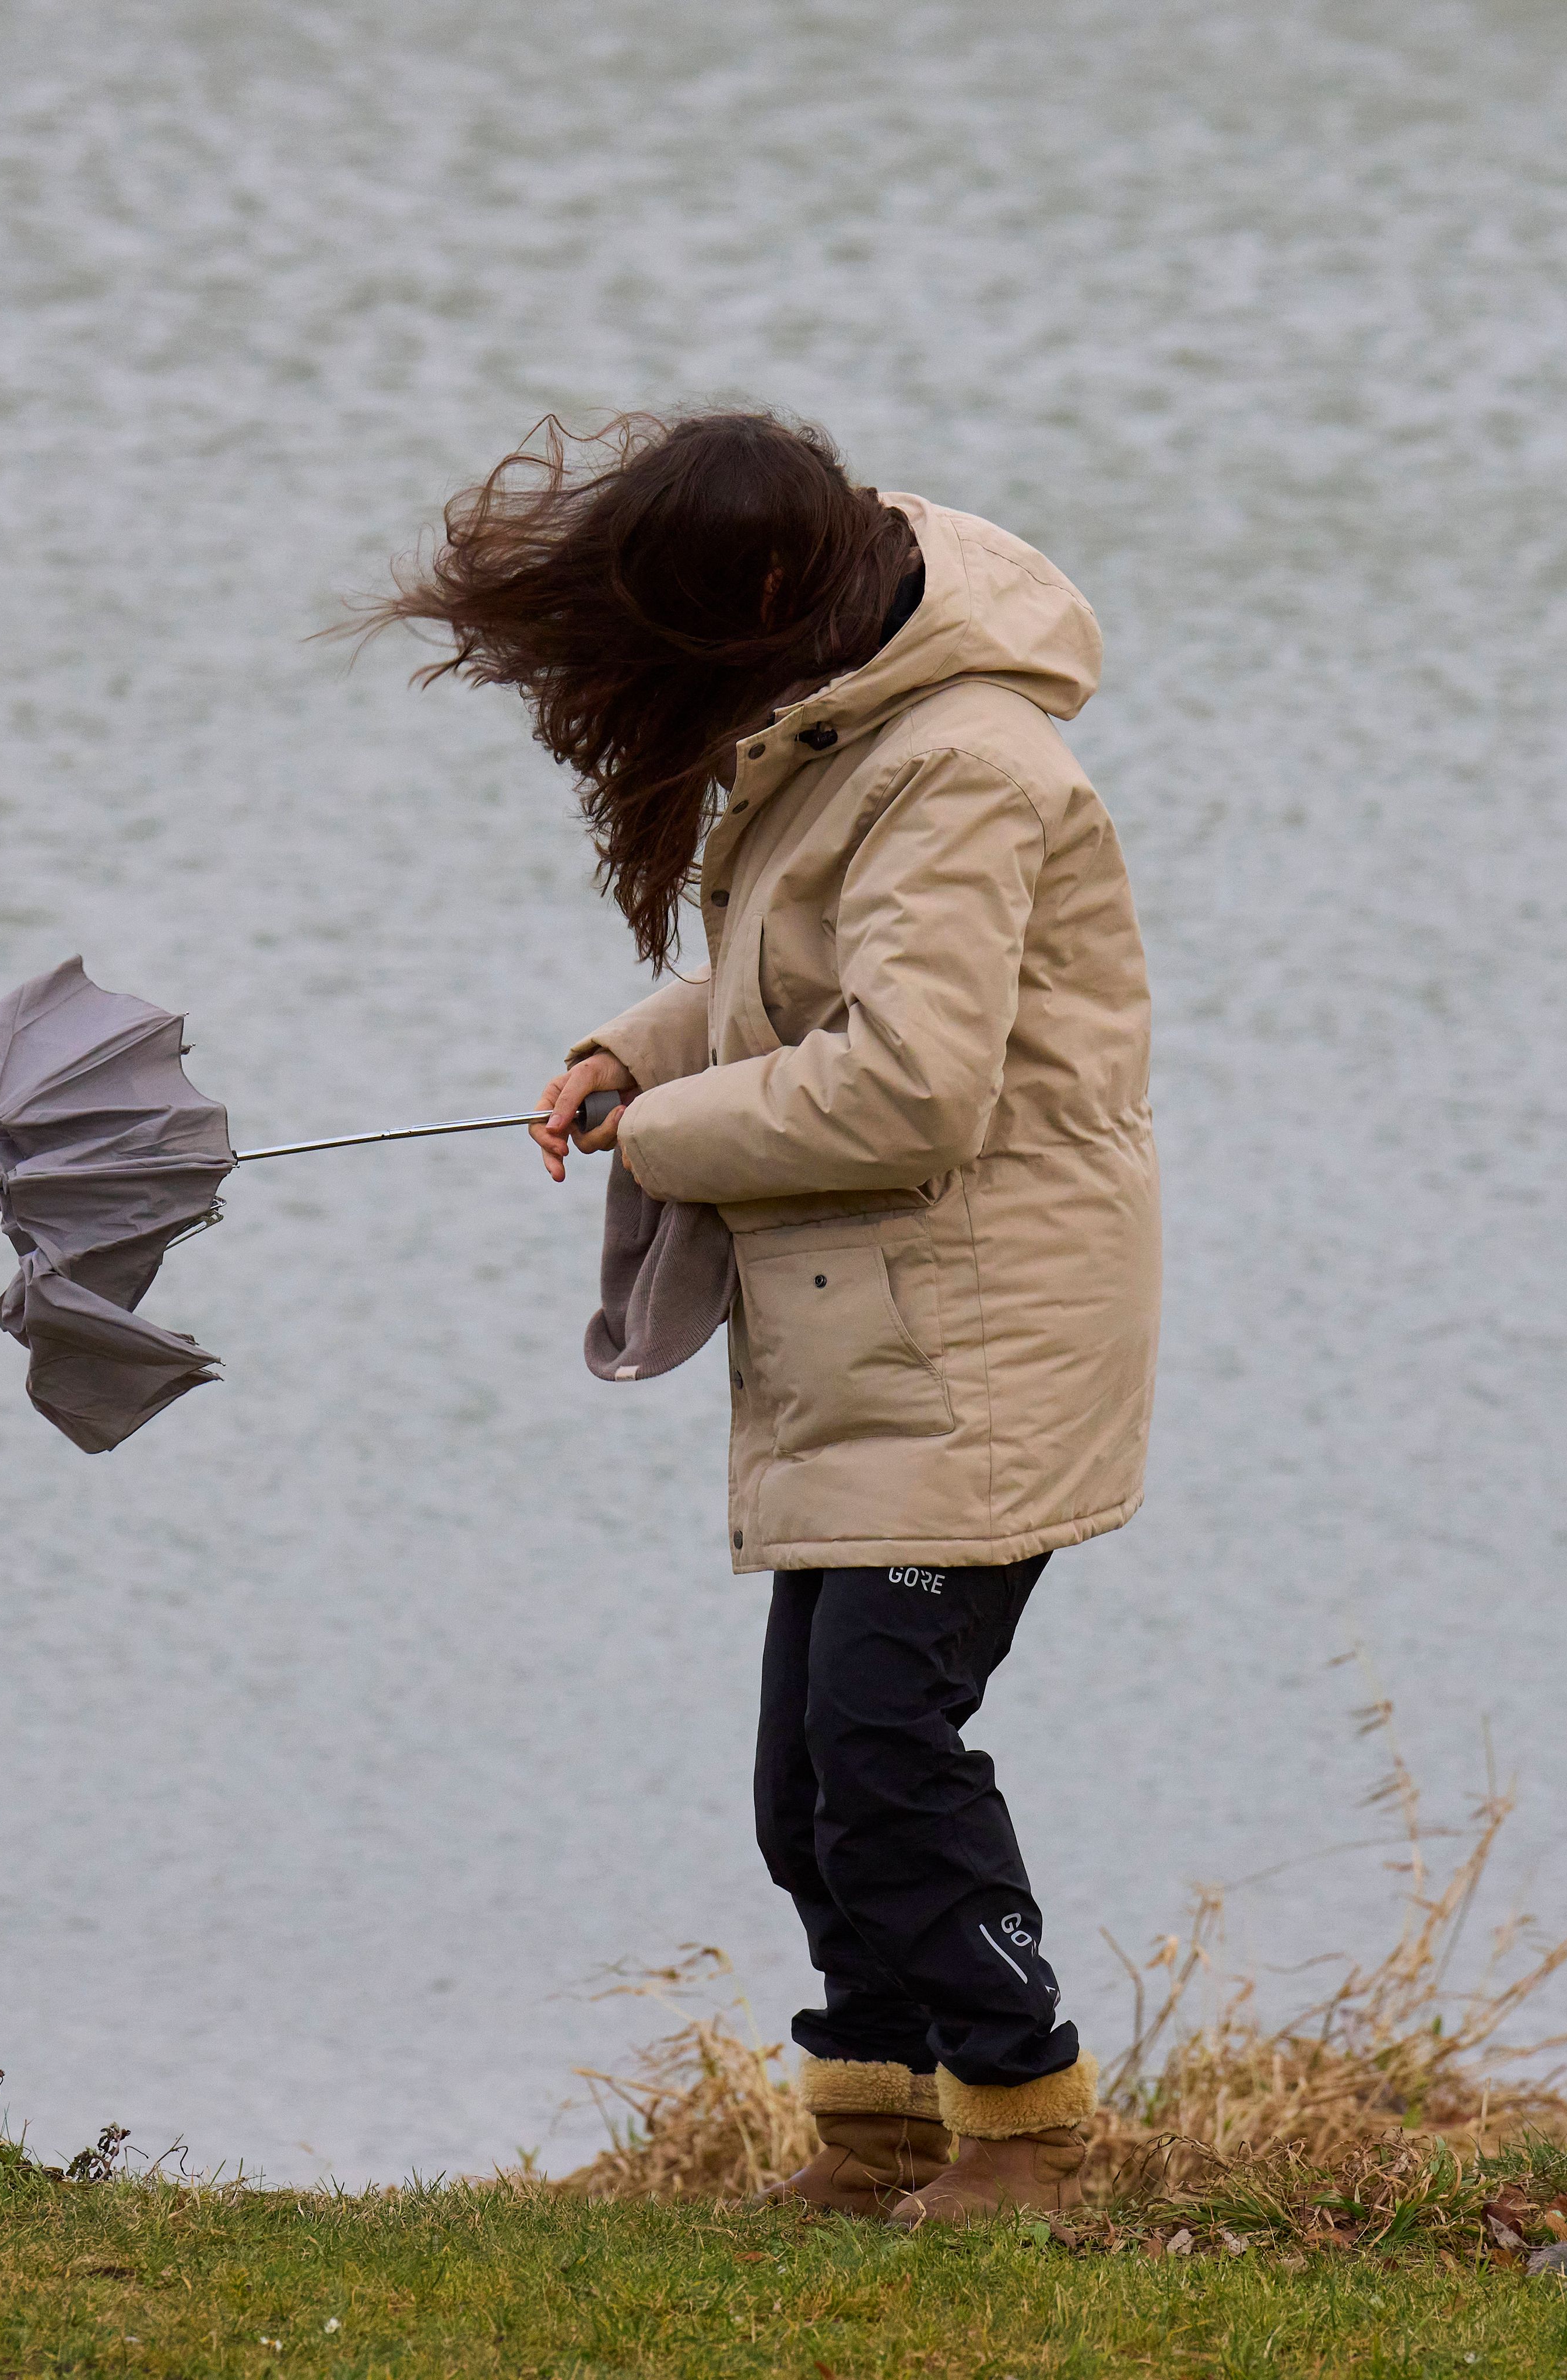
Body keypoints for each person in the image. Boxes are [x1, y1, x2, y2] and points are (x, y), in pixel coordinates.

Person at [363, 412, 1159, 2224]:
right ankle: (875, 2137)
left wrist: (669, 1131)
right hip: (871, 1330)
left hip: (981, 1340)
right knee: (807, 1784)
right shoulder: (849, 710)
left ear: (786, 593)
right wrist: (628, 1049)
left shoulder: (967, 765)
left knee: (888, 1751)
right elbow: (780, 978)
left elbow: (911, 1087)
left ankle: (1029, 2136)